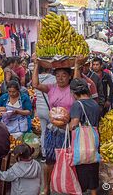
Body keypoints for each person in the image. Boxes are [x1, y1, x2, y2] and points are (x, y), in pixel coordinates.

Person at [32, 54, 76, 195]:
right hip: (52, 131)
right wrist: (36, 64)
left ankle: (68, 186)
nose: (60, 78)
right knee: (49, 161)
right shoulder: (51, 88)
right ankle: (47, 187)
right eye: (57, 75)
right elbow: (35, 84)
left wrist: (78, 65)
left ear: (69, 77)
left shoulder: (73, 89)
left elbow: (78, 79)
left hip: (68, 131)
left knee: (68, 160)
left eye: (64, 75)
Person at [69, 78, 100, 195]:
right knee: (93, 169)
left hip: (81, 143)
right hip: (94, 141)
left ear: (74, 93)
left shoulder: (77, 105)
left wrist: (66, 125)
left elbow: (74, 124)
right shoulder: (95, 104)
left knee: (81, 171)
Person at [35, 66, 56, 162]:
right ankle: (52, 153)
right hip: (49, 109)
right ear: (48, 68)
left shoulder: (36, 78)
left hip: (39, 109)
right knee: (53, 131)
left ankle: (44, 154)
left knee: (44, 132)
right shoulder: (53, 78)